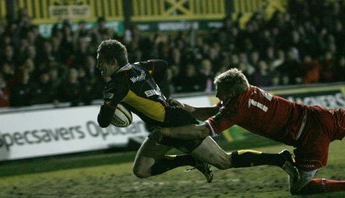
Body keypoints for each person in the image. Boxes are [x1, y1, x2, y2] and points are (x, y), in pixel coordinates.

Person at [96, 39, 296, 183]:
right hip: (165, 123)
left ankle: (280, 159)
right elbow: (163, 66)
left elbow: (104, 121)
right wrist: (159, 95)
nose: (99, 66)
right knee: (141, 170)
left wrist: (112, 104)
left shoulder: (116, 86)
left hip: (176, 124)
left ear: (113, 61)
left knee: (224, 162)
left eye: (101, 61)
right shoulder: (140, 68)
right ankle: (193, 159)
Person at [152, 68, 345, 195]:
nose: (216, 94)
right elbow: (220, 110)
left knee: (299, 189)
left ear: (231, 92)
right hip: (319, 115)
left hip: (310, 139)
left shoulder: (236, 108)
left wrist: (168, 133)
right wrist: (189, 109)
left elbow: (202, 131)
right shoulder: (249, 90)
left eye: (220, 91)